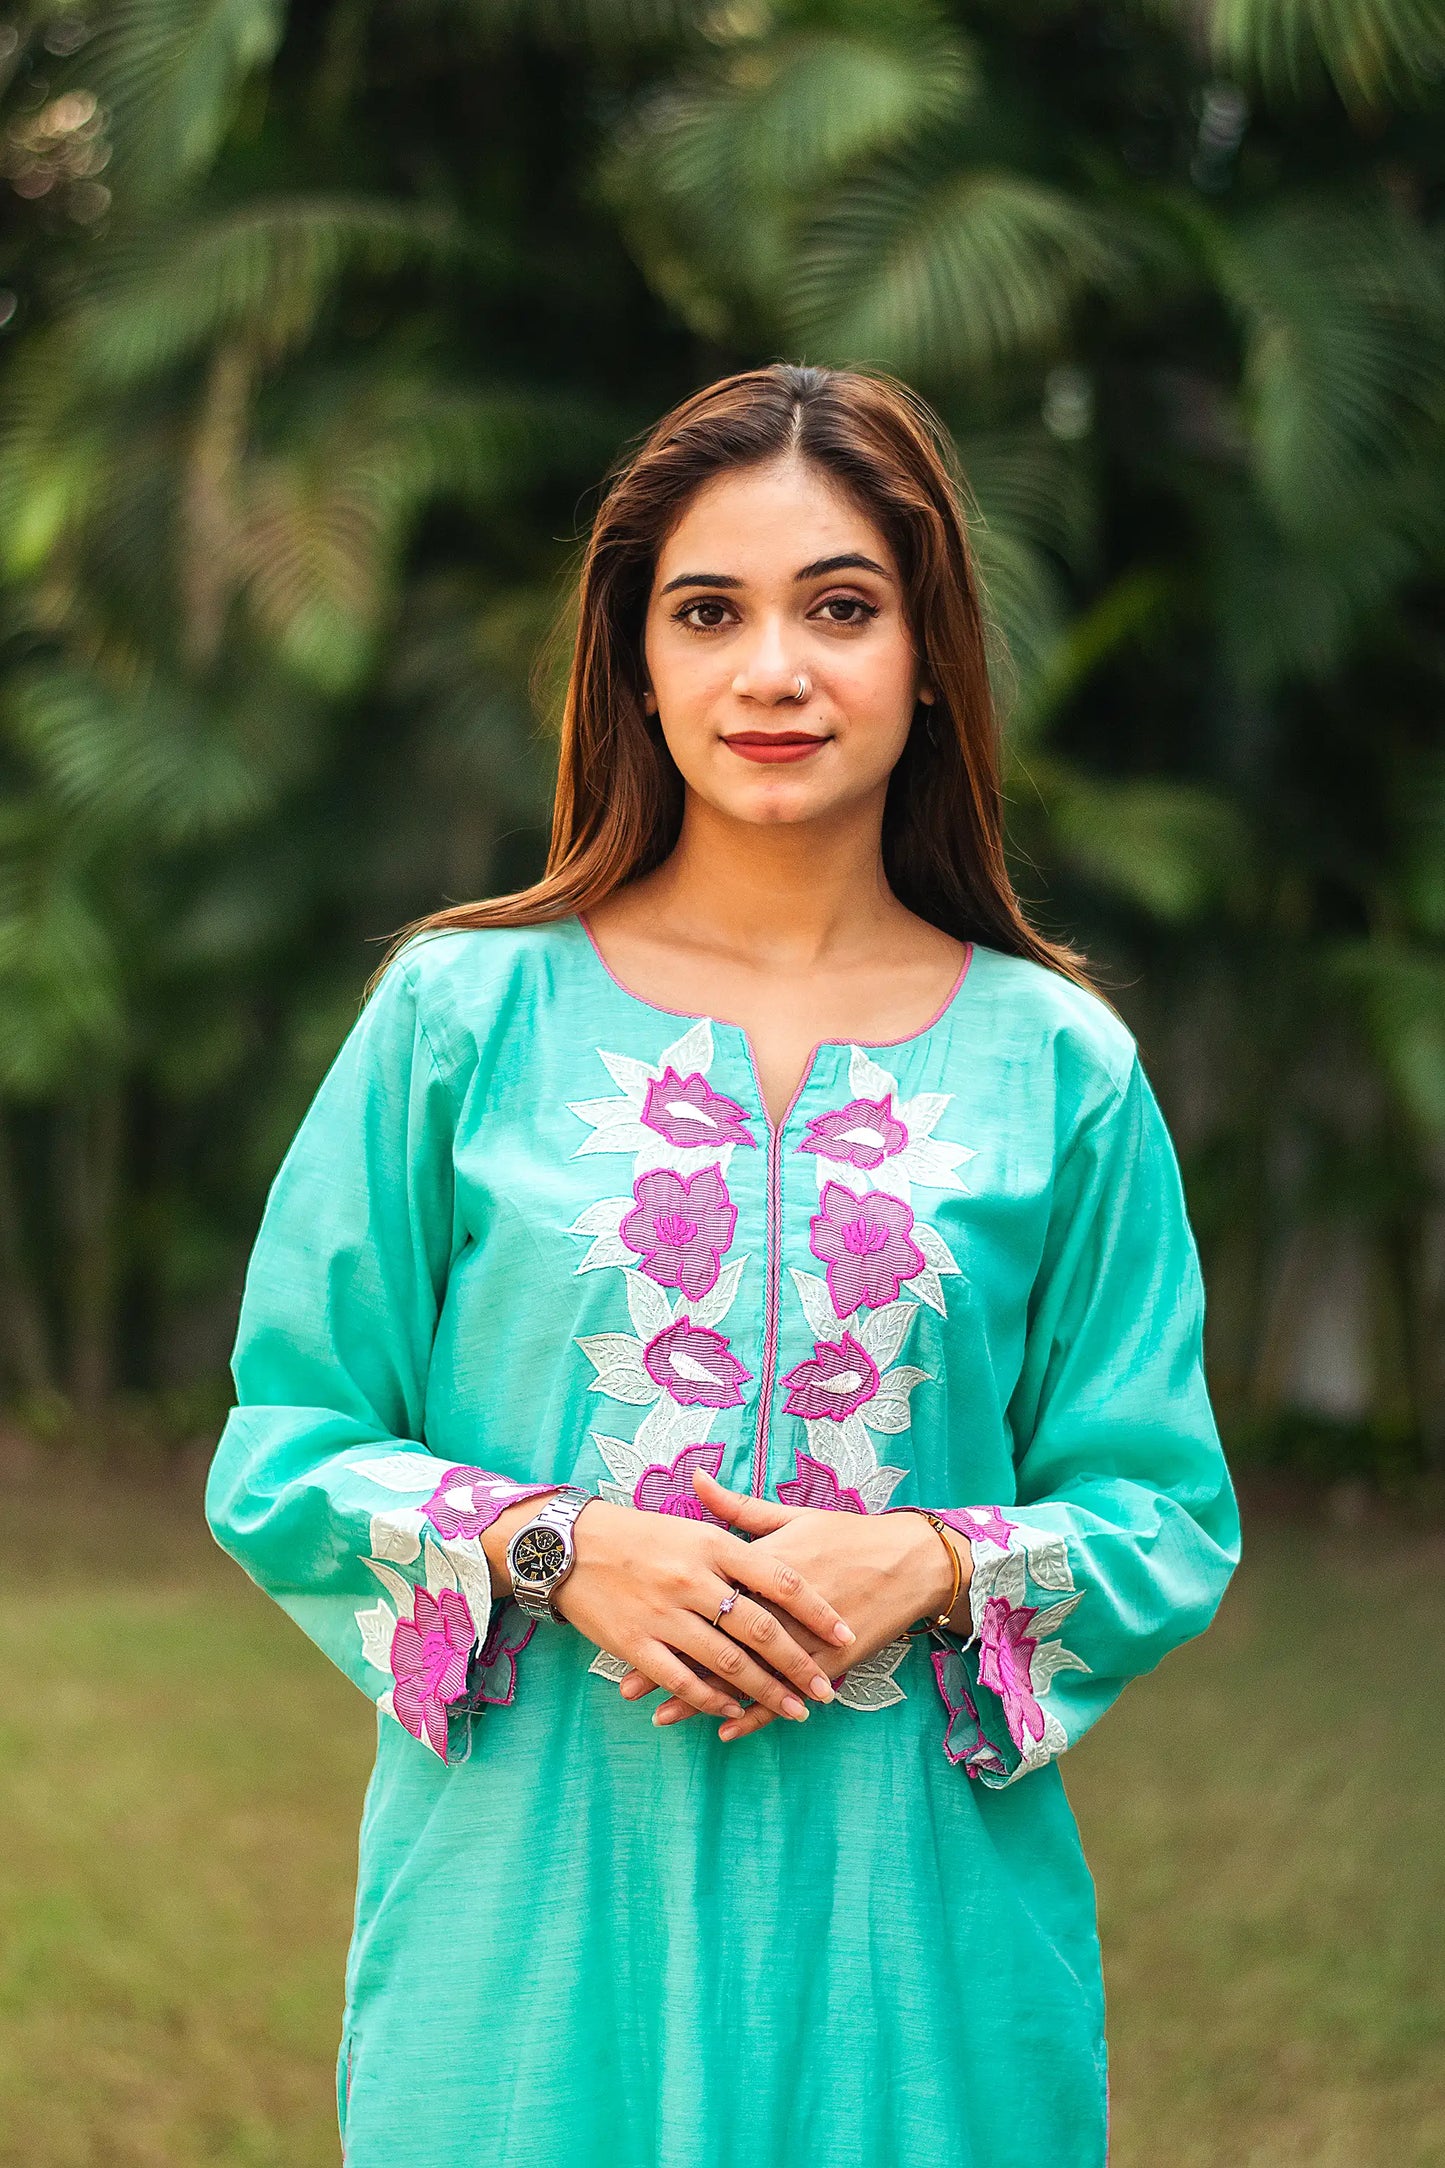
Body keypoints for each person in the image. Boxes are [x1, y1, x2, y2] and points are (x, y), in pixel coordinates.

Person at [206, 361, 1241, 2168]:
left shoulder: (1058, 1067)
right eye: (710, 612)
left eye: (840, 607)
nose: (774, 669)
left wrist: (926, 1557)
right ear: (639, 661)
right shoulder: (460, 1016)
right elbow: (283, 1444)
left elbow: (1161, 1514)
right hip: (526, 1942)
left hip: (915, 1954)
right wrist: (557, 1543)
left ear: (928, 659)